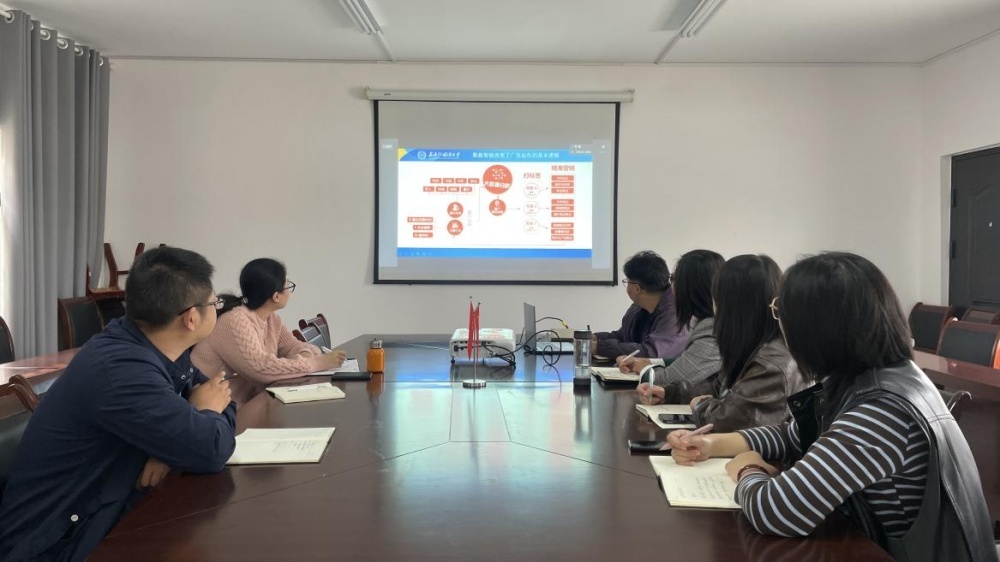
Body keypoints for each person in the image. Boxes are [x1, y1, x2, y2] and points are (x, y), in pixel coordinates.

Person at [668, 252, 997, 561]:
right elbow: (792, 435)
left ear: (816, 329)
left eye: (781, 312)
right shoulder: (869, 377)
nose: (780, 325)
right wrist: (712, 444)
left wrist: (747, 468)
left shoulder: (882, 410)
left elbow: (778, 511)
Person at [0, 247, 237, 561]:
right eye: (215, 303)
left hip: (102, 513)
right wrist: (189, 426)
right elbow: (210, 449)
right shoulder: (121, 369)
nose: (218, 309)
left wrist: (175, 444)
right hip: (56, 544)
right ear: (191, 318)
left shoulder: (152, 346)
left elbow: (222, 399)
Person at [668, 254, 806, 432]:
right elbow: (719, 389)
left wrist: (700, 406)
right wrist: (672, 393)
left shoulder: (771, 363)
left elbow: (726, 422)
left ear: (729, 306)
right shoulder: (752, 344)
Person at [192, 258, 347, 396]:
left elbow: (295, 346)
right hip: (220, 411)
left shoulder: (271, 319)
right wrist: (319, 363)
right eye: (288, 285)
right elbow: (262, 369)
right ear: (276, 296)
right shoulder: (235, 321)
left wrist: (304, 357)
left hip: (251, 402)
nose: (290, 291)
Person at [620, 250, 725, 405]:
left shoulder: (711, 332)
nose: (670, 288)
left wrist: (644, 370)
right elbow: (687, 363)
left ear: (689, 288)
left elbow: (669, 379)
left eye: (673, 279)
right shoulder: (708, 323)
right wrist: (649, 362)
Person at [594, 250, 689, 359]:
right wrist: (595, 338)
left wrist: (598, 347)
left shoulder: (675, 312)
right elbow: (625, 336)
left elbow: (651, 352)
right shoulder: (638, 306)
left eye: (627, 281)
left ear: (636, 288)